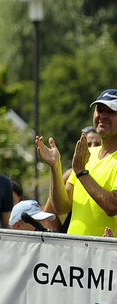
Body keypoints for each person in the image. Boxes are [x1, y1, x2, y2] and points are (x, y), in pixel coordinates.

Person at [37, 89, 117, 236]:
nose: (103, 116)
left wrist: (81, 172)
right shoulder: (87, 154)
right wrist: (55, 167)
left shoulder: (82, 164)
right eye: (99, 110)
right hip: (75, 250)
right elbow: (62, 207)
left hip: (105, 253)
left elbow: (113, 206)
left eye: (111, 111)